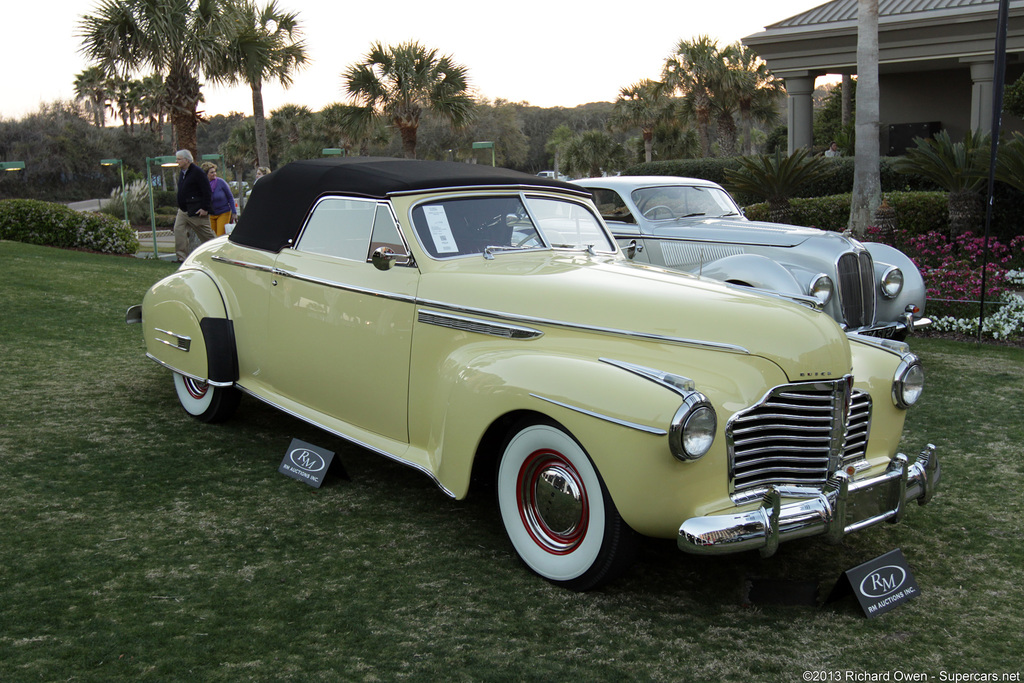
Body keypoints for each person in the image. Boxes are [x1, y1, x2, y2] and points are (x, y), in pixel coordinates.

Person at [173, 149, 214, 262]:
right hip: (183, 210)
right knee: (178, 230)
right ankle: (181, 258)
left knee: (207, 236)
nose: (177, 161)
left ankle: (218, 252)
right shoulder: (182, 173)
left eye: (179, 159)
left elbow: (207, 191)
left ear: (187, 160)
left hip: (196, 211)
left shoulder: (198, 173)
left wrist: (205, 208)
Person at [202, 161, 237, 237]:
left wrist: (234, 212)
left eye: (215, 172)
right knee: (212, 237)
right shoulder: (204, 185)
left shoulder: (221, 182)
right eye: (211, 173)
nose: (214, 174)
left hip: (223, 212)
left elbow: (230, 197)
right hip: (211, 214)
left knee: (219, 236)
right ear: (206, 174)